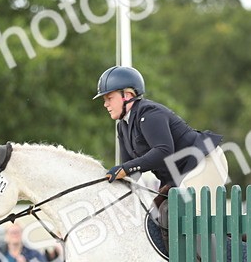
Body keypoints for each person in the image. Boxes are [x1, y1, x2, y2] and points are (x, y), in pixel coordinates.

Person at [95, 65, 229, 200]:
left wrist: (124, 169)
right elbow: (131, 172)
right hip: (178, 176)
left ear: (127, 95)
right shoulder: (123, 126)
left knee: (188, 213)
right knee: (154, 217)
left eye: (109, 98)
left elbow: (164, 151)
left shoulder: (149, 113)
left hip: (204, 161)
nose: (105, 104)